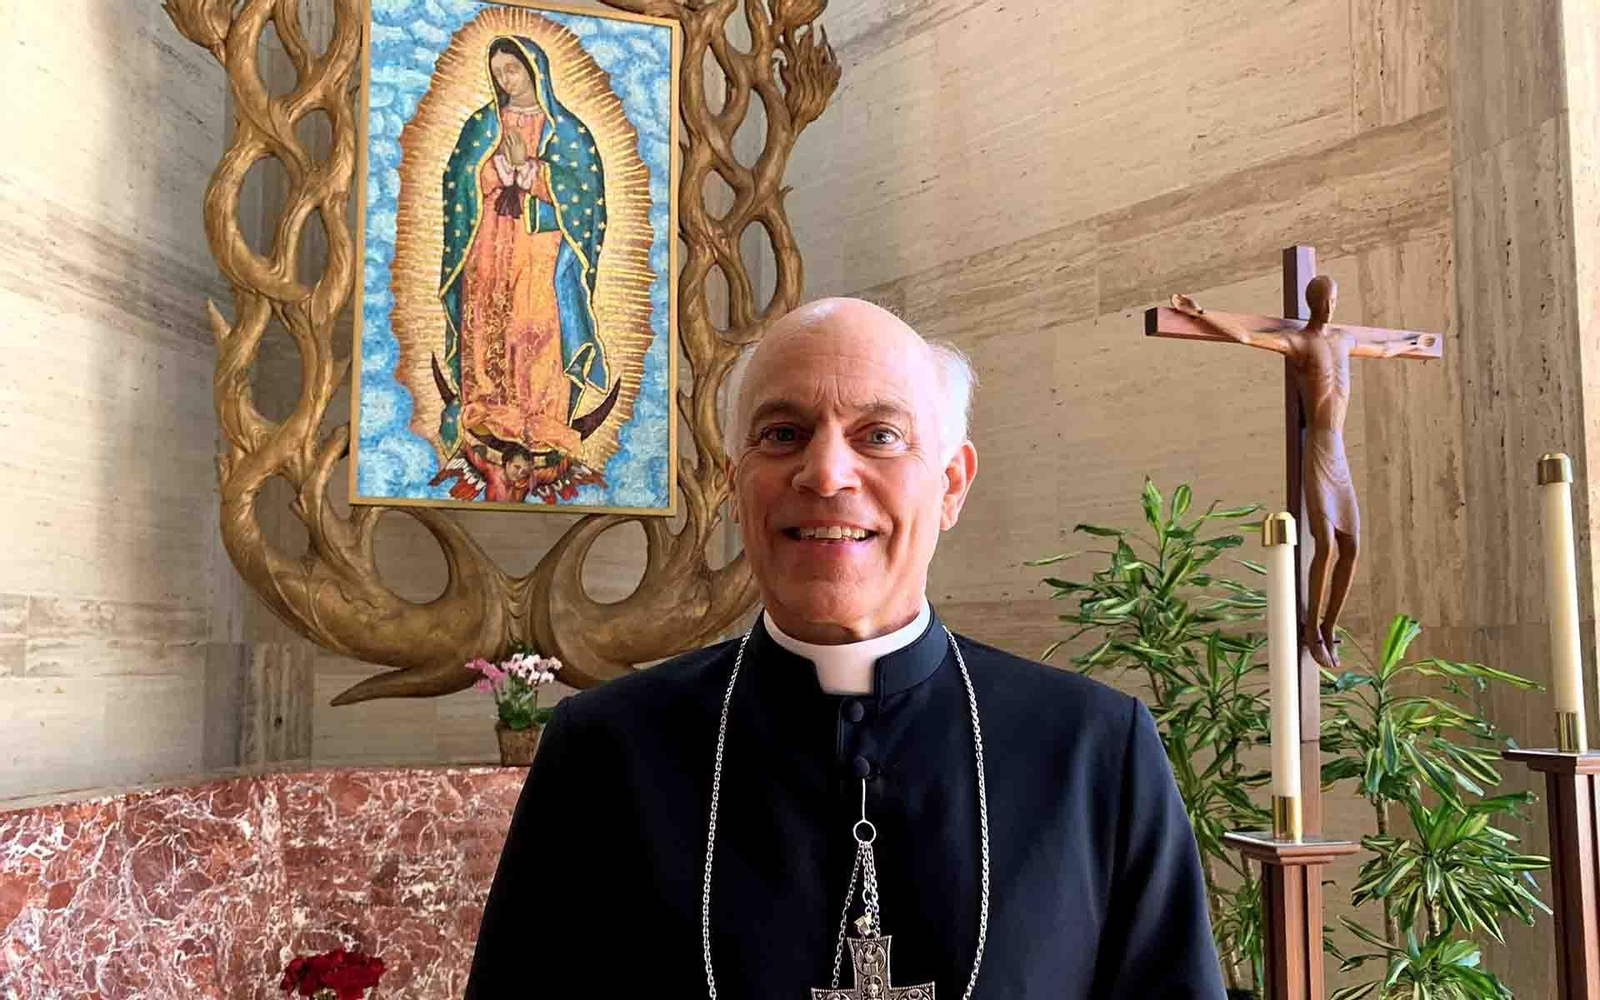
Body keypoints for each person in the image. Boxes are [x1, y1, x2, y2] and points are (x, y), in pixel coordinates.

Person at [465, 298, 1227, 997]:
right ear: (736, 485)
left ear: (952, 485)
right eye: (783, 434)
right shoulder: (603, 754)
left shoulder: (1096, 752)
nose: (826, 473)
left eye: (881, 436)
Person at [1170, 281, 1432, 668]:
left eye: (1333, 301)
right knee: (1325, 543)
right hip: (1318, 448)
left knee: (1353, 545)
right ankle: (1310, 629)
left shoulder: (1343, 340)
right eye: (1323, 301)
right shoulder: (1300, 343)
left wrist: (1412, 343)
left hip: (1339, 451)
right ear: (1312, 303)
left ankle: (1329, 626)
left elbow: (1382, 348)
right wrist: (1202, 314)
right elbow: (1246, 335)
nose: (1329, 307)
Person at [431, 35, 614, 503]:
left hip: (540, 249)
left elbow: (587, 203)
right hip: (489, 247)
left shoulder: (568, 132)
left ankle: (542, 421)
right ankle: (488, 414)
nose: (504, 79)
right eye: (498, 73)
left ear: (535, 70)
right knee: (490, 325)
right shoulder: (481, 124)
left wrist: (532, 171)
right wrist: (493, 168)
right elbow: (457, 184)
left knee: (535, 327)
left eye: (511, 69)